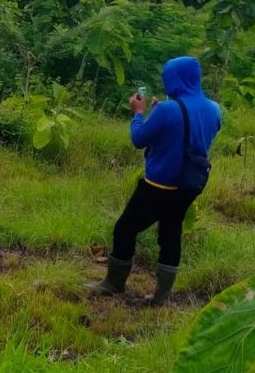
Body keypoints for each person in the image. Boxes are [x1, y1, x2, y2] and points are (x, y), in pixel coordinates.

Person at [87, 56, 221, 306]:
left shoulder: (167, 110)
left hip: (159, 186)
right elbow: (193, 134)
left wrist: (139, 114)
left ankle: (114, 283)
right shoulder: (214, 108)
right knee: (171, 235)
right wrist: (163, 112)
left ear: (173, 78)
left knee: (125, 229)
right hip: (189, 185)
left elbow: (139, 139)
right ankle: (161, 296)